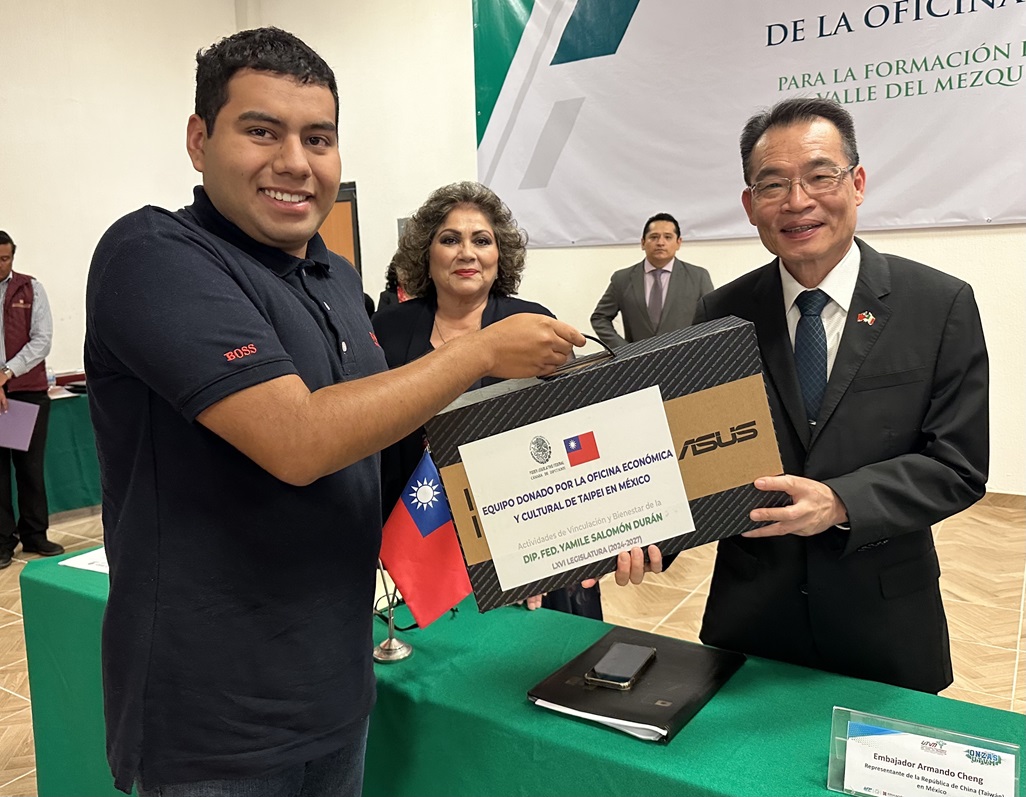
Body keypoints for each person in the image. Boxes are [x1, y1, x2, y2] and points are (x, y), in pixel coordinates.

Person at [85, 27, 652, 797]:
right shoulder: (155, 255)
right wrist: (480, 352)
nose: (295, 161)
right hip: (213, 724)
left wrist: (582, 521)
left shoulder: (335, 281)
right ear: (198, 139)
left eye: (318, 138)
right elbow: (299, 438)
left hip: (334, 695)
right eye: (262, 131)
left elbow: (387, 468)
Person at [691, 96, 988, 693]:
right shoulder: (720, 314)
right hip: (753, 621)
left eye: (820, 176)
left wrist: (839, 502)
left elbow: (957, 466)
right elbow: (696, 458)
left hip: (884, 622)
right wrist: (636, 533)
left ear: (857, 183)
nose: (797, 201)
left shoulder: (938, 305)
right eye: (773, 184)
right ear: (750, 205)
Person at [372, 181, 603, 619]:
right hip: (422, 542)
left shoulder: (532, 324)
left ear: (500, 256)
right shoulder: (387, 330)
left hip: (525, 536)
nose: (467, 253)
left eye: (481, 240)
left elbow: (569, 438)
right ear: (426, 254)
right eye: (449, 239)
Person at [0, 231, 63, 569]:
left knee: (29, 468)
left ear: (13, 257)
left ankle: (35, 535)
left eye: (5, 258)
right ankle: (2, 542)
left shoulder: (30, 288)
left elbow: (41, 340)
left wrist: (6, 373)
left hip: (25, 391)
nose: (0, 264)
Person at [590, 212, 713, 349]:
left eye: (668, 237)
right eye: (654, 237)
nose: (660, 243)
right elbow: (599, 318)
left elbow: (713, 320)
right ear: (643, 243)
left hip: (684, 358)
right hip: (638, 359)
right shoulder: (622, 279)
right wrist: (623, 350)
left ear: (678, 243)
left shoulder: (698, 277)